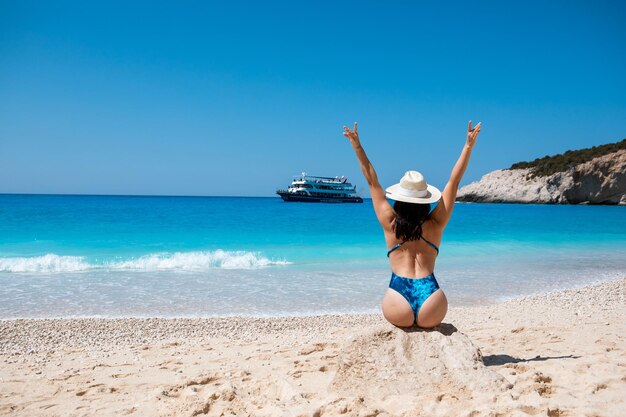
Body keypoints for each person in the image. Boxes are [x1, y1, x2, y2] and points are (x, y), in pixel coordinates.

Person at [342, 120, 481, 328]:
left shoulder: (390, 223)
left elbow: (372, 181)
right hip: (432, 299)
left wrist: (357, 146)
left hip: (398, 297)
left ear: (399, 198)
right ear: (425, 200)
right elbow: (454, 182)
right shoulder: (435, 223)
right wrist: (468, 146)